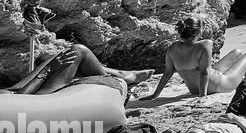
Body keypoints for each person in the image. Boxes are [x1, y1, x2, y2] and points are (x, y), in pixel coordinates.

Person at [134, 17, 246, 99]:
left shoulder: (172, 48)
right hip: (219, 85)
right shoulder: (205, 44)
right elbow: (204, 72)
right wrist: (203, 96)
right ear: (198, 32)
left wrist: (155, 95)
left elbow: (168, 73)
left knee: (237, 52)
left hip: (194, 88)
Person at [5, 42, 152, 97]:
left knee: (59, 57)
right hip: (35, 99)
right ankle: (120, 78)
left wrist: (50, 67)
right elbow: (20, 98)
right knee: (78, 51)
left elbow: (16, 91)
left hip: (21, 91)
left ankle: (122, 75)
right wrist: (47, 71)